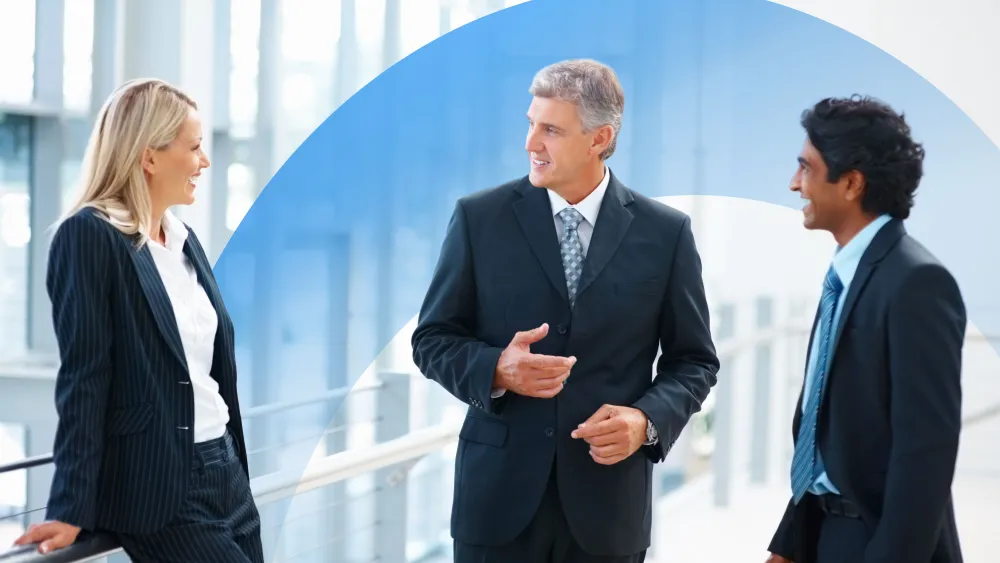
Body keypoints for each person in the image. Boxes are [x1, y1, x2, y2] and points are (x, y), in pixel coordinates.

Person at [411, 59, 720, 563]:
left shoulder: (666, 234)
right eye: (531, 124)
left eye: (551, 130)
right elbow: (432, 339)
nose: (531, 143)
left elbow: (694, 361)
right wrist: (496, 368)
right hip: (496, 505)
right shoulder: (479, 218)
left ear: (600, 139)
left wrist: (645, 420)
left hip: (608, 510)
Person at [12, 78, 264, 563]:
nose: (205, 161)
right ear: (149, 157)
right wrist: (70, 506)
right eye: (194, 147)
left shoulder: (183, 238)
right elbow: (86, 377)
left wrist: (231, 460)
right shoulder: (88, 237)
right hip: (166, 490)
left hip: (227, 471)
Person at [767, 96, 966, 563]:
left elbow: (924, 460)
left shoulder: (917, 283)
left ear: (852, 183)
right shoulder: (845, 276)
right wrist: (790, 545)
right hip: (823, 534)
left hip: (876, 544)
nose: (794, 183)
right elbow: (827, 436)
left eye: (806, 168)